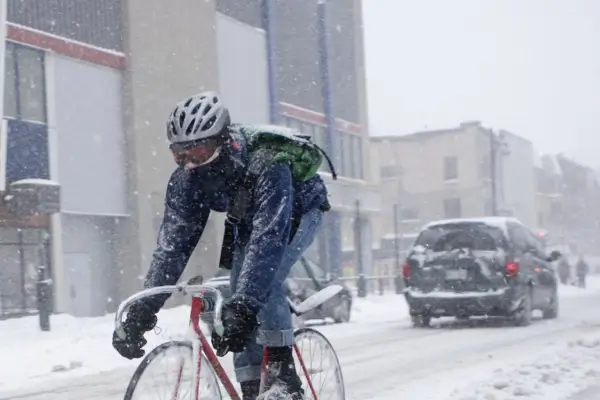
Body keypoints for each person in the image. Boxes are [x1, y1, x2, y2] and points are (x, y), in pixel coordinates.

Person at [112, 91, 333, 399]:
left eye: (199, 152)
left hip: (297, 210)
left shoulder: (268, 164)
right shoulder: (185, 182)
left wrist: (244, 308)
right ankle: (252, 386)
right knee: (234, 296)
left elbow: (269, 240)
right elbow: (171, 249)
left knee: (258, 287)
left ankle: (283, 375)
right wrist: (141, 311)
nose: (190, 163)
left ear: (224, 142)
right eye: (179, 154)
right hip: (247, 215)